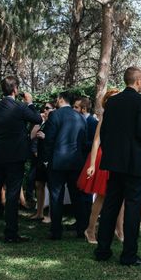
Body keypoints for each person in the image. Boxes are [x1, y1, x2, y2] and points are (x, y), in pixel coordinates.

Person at [95, 67, 141, 266]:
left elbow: (104, 131)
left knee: (111, 205)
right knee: (132, 208)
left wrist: (110, 152)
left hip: (114, 162)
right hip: (134, 162)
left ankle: (102, 250)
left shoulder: (112, 101)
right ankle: (129, 254)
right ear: (138, 81)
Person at [0, 76, 42, 242]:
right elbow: (38, 119)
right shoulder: (21, 107)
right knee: (13, 195)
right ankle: (10, 234)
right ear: (15, 90)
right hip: (16, 157)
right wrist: (30, 103)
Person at [77, 89, 123, 244]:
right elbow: (96, 140)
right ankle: (90, 229)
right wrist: (91, 165)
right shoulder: (105, 117)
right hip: (103, 158)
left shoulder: (122, 116)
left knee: (120, 196)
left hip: (118, 158)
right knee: (101, 196)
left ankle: (120, 230)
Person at [44, 91, 91, 240]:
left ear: (60, 99)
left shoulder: (55, 115)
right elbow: (84, 142)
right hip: (76, 162)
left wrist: (46, 159)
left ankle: (56, 231)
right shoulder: (81, 117)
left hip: (57, 162)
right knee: (77, 197)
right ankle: (81, 229)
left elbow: (49, 140)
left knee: (56, 196)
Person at [29, 102, 54, 222]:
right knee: (38, 184)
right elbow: (31, 138)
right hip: (39, 159)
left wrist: (46, 137)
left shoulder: (55, 123)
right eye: (44, 108)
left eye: (48, 108)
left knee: (51, 186)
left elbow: (58, 140)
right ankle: (39, 212)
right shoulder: (41, 123)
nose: (45, 110)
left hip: (51, 159)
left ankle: (51, 215)